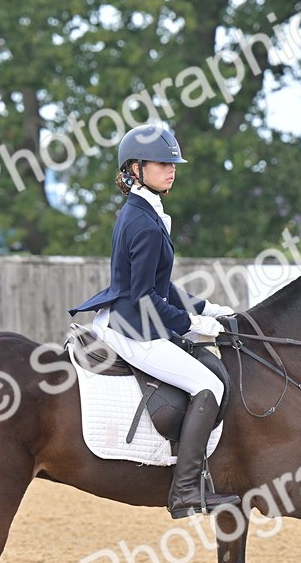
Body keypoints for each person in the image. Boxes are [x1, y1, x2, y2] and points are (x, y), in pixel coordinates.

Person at [69, 123, 241, 519]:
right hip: (133, 327)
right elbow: (147, 299)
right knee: (208, 384)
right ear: (135, 168)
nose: (171, 169)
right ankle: (183, 492)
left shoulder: (146, 212)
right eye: (162, 163)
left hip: (132, 315)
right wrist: (193, 326)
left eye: (173, 163)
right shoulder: (144, 222)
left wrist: (208, 308)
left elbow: (159, 285)